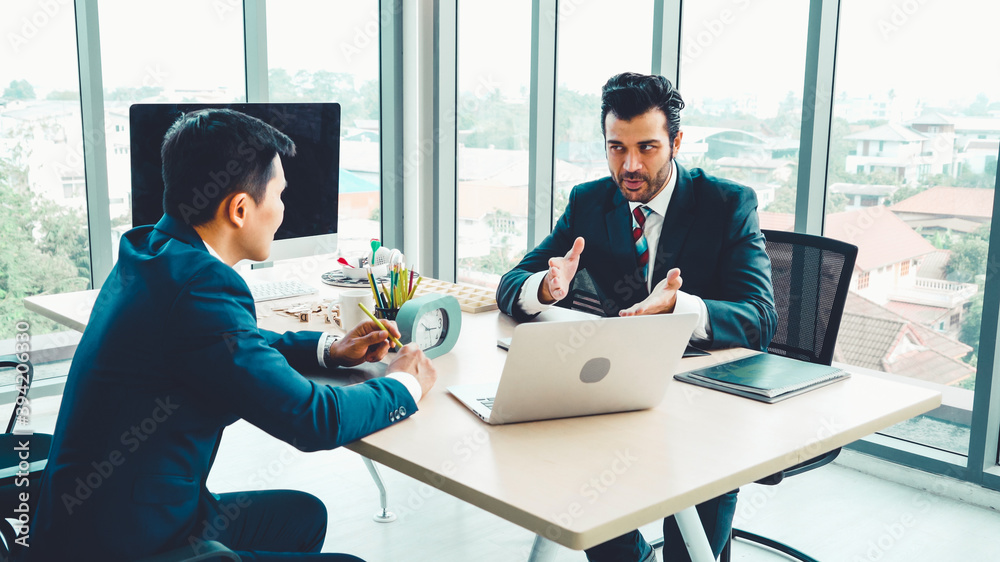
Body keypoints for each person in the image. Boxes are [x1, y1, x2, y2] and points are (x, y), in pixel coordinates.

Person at [29, 109, 436, 561]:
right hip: (133, 544)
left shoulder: (152, 250)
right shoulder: (201, 286)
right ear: (240, 209)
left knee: (302, 517)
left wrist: (330, 350)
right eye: (279, 195)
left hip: (101, 518)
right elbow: (312, 419)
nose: (283, 209)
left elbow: (229, 343)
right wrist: (406, 383)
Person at [497, 73, 777, 561]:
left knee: (690, 548)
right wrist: (545, 286)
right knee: (580, 503)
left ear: (676, 142)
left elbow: (760, 317)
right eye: (616, 148)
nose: (629, 165)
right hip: (620, 391)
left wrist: (679, 308)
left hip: (707, 401)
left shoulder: (728, 204)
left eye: (647, 148)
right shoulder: (591, 202)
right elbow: (509, 284)